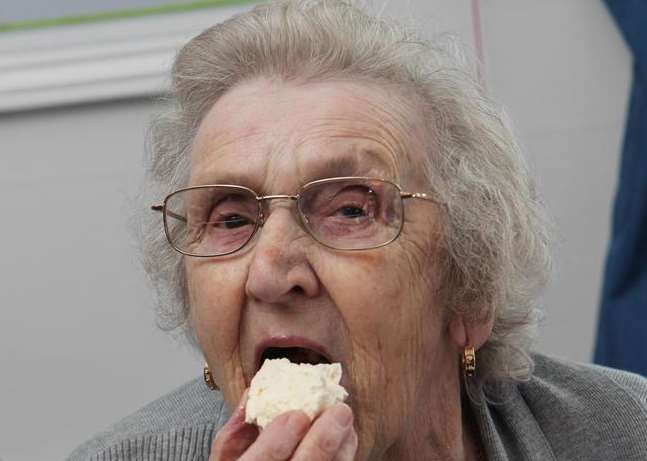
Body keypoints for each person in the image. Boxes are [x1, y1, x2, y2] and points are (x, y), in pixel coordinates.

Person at [69, 1, 647, 460]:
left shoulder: (628, 433)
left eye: (350, 210)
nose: (270, 274)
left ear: (469, 289)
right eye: (232, 218)